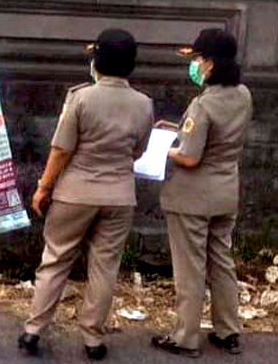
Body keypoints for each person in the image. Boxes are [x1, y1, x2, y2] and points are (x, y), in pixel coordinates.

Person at [18, 29, 154, 361]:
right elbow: (139, 151)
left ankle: (34, 330)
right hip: (119, 196)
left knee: (56, 259)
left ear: (98, 60)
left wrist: (43, 187)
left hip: (75, 193)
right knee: (105, 267)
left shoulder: (80, 98)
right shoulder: (144, 103)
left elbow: (61, 149)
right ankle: (93, 338)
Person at [150, 28, 252, 358]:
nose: (194, 65)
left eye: (197, 59)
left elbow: (191, 156)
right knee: (221, 263)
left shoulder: (202, 104)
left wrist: (163, 149)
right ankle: (228, 331)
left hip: (192, 197)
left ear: (209, 64)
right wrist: (177, 130)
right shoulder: (243, 95)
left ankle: (185, 337)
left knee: (190, 269)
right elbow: (214, 139)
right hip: (225, 193)